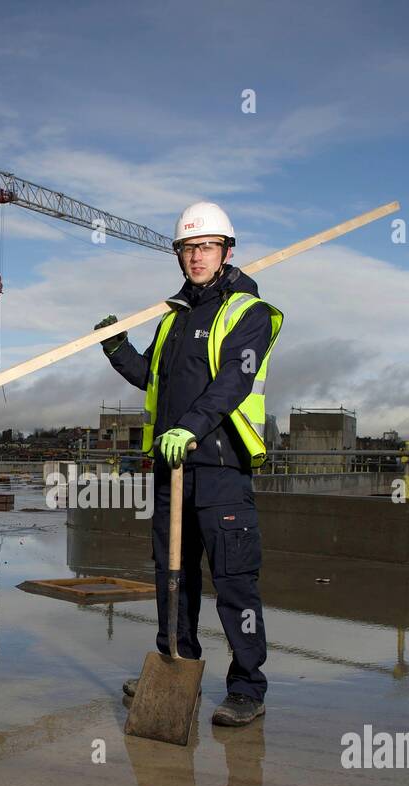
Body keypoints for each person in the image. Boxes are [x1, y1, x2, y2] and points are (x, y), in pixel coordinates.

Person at [97, 202, 282, 727]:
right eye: (187, 248)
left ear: (226, 251)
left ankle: (247, 686)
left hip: (221, 469)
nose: (196, 257)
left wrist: (192, 427)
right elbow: (151, 379)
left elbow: (233, 383)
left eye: (206, 247)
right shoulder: (175, 316)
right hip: (171, 470)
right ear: (178, 255)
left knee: (235, 582)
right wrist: (117, 349)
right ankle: (177, 668)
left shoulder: (249, 312)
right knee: (172, 576)